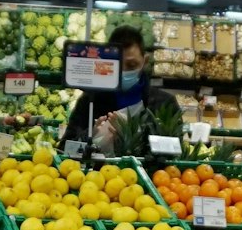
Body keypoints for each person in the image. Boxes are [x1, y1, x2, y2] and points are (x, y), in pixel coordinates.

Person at [59, 24, 184, 157]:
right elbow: (64, 151)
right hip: (99, 176)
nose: (124, 72)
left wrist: (133, 135)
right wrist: (91, 136)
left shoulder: (164, 103)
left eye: (132, 65)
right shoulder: (90, 100)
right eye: (117, 65)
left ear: (145, 61)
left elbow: (176, 154)